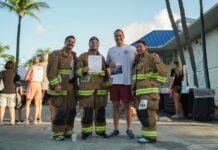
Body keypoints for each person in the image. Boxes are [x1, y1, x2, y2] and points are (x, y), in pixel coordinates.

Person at [132, 40, 167, 143]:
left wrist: (158, 82)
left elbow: (163, 70)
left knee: (148, 114)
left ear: (145, 47)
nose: (138, 48)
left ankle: (151, 137)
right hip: (140, 93)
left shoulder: (151, 57)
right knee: (142, 114)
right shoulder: (138, 60)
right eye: (137, 47)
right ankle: (145, 134)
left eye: (140, 46)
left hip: (149, 93)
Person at [76, 37, 109, 140]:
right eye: (92, 42)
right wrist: (83, 70)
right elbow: (77, 72)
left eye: (96, 42)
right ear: (89, 44)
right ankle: (86, 132)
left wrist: (108, 86)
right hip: (87, 90)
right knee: (88, 112)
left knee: (100, 112)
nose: (94, 44)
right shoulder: (83, 56)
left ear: (98, 45)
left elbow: (106, 74)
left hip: (100, 89)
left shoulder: (102, 58)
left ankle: (101, 132)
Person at [47, 35, 78, 141]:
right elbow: (51, 72)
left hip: (72, 86)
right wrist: (56, 84)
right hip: (60, 86)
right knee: (61, 110)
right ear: (64, 42)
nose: (71, 43)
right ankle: (57, 133)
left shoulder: (74, 56)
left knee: (71, 110)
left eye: (73, 42)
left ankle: (68, 130)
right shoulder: (56, 54)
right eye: (69, 41)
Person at [106, 29, 136, 138]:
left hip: (126, 81)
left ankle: (129, 129)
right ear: (114, 37)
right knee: (115, 106)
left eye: (120, 35)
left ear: (124, 36)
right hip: (114, 82)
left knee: (127, 106)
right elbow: (107, 64)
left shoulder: (132, 49)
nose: (118, 37)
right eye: (116, 36)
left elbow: (139, 61)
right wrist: (110, 64)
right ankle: (116, 129)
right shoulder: (111, 50)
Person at [24, 56, 43, 125]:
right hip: (39, 85)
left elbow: (26, 78)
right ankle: (35, 120)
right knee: (37, 103)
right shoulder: (41, 68)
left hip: (32, 84)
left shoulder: (31, 67)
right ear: (38, 62)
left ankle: (26, 120)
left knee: (28, 102)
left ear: (33, 61)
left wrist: (29, 78)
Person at [0, 61, 20, 125]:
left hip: (3, 91)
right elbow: (18, 80)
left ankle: (0, 121)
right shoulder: (15, 73)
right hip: (12, 92)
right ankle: (12, 121)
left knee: (2, 107)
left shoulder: (2, 73)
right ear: (13, 66)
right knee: (11, 107)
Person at [38, 52, 49, 123]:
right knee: (52, 102)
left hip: (41, 85)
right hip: (48, 85)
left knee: (39, 102)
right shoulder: (50, 64)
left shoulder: (39, 64)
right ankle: (53, 118)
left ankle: (39, 117)